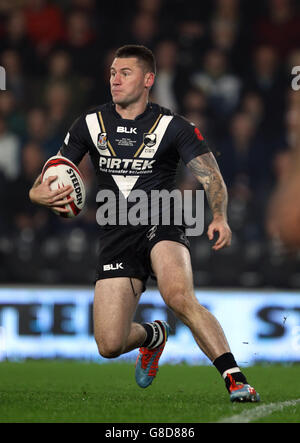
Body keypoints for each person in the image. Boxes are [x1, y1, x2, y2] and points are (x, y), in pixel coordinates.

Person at [29, 44, 260, 402]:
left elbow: (211, 175)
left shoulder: (174, 126)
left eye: (125, 73)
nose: (115, 80)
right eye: (112, 73)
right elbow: (53, 172)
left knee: (179, 296)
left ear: (149, 79)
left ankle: (235, 378)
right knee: (109, 344)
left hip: (161, 218)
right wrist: (36, 195)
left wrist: (219, 216)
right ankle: (154, 336)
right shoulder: (89, 124)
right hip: (116, 230)